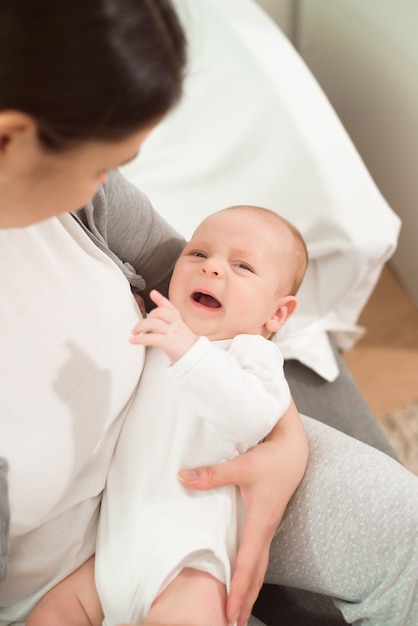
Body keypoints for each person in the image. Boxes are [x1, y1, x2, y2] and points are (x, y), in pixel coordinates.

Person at [0, 2, 417, 626]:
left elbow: (233, 357)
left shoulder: (83, 208)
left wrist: (285, 443)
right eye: (96, 167)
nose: (105, 185)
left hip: (186, 536)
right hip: (84, 560)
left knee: (403, 532)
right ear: (10, 139)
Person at [28, 204, 308, 626]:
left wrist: (188, 350)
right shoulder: (166, 334)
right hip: (110, 557)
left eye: (242, 265)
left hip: (188, 564)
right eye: (198, 254)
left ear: (277, 313)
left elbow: (249, 418)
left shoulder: (252, 354)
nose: (212, 268)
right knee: (52, 612)